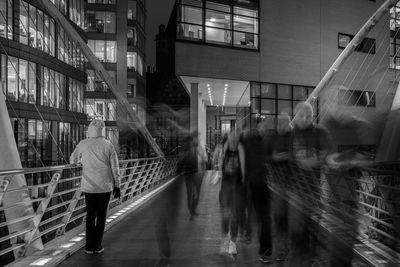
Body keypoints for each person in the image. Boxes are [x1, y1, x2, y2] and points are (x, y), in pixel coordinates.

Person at [288, 102, 333, 266]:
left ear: (313, 117)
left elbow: (328, 153)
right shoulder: (291, 135)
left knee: (311, 229)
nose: (305, 119)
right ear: (295, 115)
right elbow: (289, 159)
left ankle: (306, 260)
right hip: (296, 189)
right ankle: (298, 260)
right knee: (297, 229)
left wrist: (316, 161)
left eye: (309, 116)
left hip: (314, 190)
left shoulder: (319, 132)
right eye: (301, 116)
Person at [70, 119, 121, 255]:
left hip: (89, 187)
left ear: (90, 130)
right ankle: (97, 246)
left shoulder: (83, 143)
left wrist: (80, 162)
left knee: (90, 215)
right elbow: (115, 167)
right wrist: (117, 185)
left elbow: (72, 159)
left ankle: (88, 246)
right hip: (105, 186)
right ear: (102, 130)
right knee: (101, 216)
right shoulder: (108, 145)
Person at [240, 118, 273, 264]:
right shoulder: (248, 141)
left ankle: (265, 251)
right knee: (257, 215)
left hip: (260, 184)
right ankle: (261, 247)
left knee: (264, 217)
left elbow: (267, 158)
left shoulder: (263, 140)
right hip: (252, 183)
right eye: (263, 126)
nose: (264, 129)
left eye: (266, 127)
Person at [269, 112, 292, 261]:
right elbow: (264, 155)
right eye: (281, 123)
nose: (283, 126)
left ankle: (286, 247)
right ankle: (282, 249)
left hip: (293, 184)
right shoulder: (272, 137)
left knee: (290, 218)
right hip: (278, 184)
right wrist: (274, 158)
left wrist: (290, 156)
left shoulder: (294, 136)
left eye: (286, 123)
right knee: (280, 217)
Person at [219, 132, 245, 256]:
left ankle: (232, 242)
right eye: (231, 138)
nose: (233, 141)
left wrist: (243, 180)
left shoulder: (240, 148)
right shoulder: (226, 147)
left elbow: (243, 166)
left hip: (237, 185)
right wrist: (219, 174)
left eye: (234, 138)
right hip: (226, 184)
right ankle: (225, 238)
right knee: (225, 213)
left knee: (234, 214)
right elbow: (221, 161)